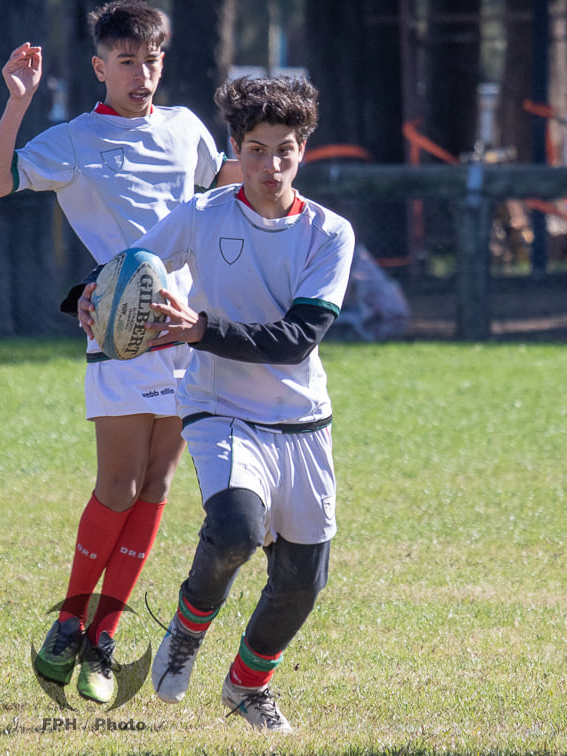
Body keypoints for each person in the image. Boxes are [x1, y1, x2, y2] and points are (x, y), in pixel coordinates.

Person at [0, 0, 239, 705]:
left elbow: (223, 195)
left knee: (157, 488)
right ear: (100, 67)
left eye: (152, 60)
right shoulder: (75, 139)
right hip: (119, 331)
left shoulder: (186, 129)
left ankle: (106, 636)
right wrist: (18, 104)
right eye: (127, 62)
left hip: (183, 331)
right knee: (118, 487)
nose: (142, 74)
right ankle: (69, 620)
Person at [80, 75, 354, 732]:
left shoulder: (329, 233)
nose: (270, 165)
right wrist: (90, 296)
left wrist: (201, 329)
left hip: (302, 420)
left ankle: (247, 685)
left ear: (303, 151)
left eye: (284, 150)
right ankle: (185, 630)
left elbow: (297, 340)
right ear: (236, 149)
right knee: (232, 530)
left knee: (302, 582)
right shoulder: (205, 215)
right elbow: (130, 264)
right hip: (218, 407)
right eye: (256, 150)